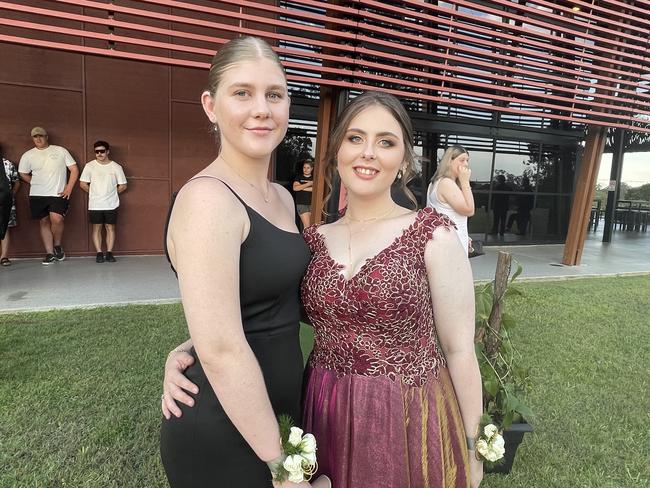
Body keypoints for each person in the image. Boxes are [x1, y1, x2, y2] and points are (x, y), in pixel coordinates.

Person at [164, 92, 484, 487]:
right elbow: (260, 314)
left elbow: (460, 350)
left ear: (404, 161)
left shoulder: (433, 235)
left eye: (386, 142)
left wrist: (473, 447)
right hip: (323, 410)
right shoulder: (311, 241)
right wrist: (186, 352)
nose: (368, 153)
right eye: (355, 138)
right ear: (336, 153)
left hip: (407, 415)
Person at [159, 36, 328, 488]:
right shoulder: (207, 201)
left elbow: (268, 304)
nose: (262, 108)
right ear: (211, 106)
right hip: (224, 428)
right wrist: (282, 465)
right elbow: (222, 349)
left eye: (274, 94)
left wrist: (185, 346)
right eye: (242, 93)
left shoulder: (281, 197)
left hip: (279, 415)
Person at [18, 127, 79, 264]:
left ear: (47, 137)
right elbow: (23, 173)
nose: (38, 139)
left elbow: (74, 169)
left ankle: (57, 245)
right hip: (37, 194)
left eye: (41, 136)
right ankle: (49, 253)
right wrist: (33, 182)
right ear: (32, 138)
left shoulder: (60, 151)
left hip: (58, 193)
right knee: (44, 221)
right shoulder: (28, 155)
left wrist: (69, 187)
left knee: (56, 219)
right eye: (35, 137)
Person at [79, 140, 127, 263]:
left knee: (110, 227)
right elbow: (83, 184)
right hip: (95, 204)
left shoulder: (116, 167)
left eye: (102, 151)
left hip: (111, 204)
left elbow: (123, 185)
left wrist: (112, 193)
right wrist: (94, 193)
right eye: (97, 151)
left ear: (107, 152)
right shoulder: (90, 166)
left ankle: (109, 253)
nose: (99, 154)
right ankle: (99, 253)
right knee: (97, 228)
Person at [427, 144, 475, 255]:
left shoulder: (434, 183)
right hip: (452, 245)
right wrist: (465, 182)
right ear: (449, 161)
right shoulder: (447, 183)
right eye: (462, 160)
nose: (466, 164)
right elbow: (469, 210)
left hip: (443, 241)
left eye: (467, 160)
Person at [0, 147, 20, 266]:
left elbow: (16, 182)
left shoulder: (7, 164)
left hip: (4, 201)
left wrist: (10, 196)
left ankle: (4, 256)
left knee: (5, 227)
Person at [293, 158, 314, 228]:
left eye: (308, 168)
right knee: (307, 226)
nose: (306, 169)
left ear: (312, 169)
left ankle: (306, 238)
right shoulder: (298, 177)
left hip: (312, 204)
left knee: (312, 226)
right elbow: (295, 188)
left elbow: (314, 189)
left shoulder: (314, 178)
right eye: (304, 167)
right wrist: (309, 184)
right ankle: (306, 239)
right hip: (302, 204)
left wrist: (301, 188)